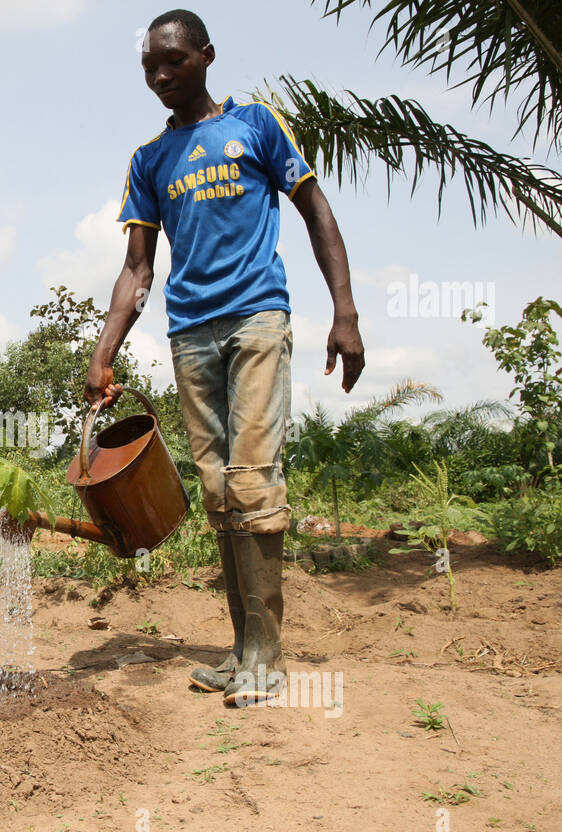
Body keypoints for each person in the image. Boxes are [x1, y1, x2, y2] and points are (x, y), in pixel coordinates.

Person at [84, 8, 365, 705]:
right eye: (149, 66)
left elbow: (315, 209)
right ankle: (242, 651)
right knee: (218, 489)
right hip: (191, 336)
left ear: (206, 56)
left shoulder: (255, 125)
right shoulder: (149, 160)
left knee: (253, 478)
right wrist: (103, 353)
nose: (159, 75)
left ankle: (266, 661)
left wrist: (346, 311)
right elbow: (137, 268)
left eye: (172, 61)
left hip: (257, 321)